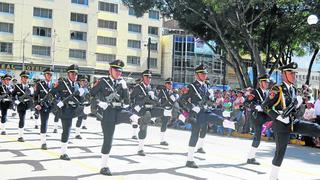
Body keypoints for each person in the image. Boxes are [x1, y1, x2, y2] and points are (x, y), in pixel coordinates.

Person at [261, 62, 320, 180]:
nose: (293, 75)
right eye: (290, 73)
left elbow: (296, 110)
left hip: (293, 123)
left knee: (316, 128)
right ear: (283, 74)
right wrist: (278, 117)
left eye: (294, 73)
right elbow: (265, 106)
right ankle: (273, 177)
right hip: (281, 126)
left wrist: (302, 104)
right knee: (280, 152)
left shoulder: (293, 89)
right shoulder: (277, 89)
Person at [90, 60, 140, 176]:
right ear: (110, 70)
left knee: (127, 113)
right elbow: (90, 94)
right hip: (106, 114)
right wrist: (98, 102)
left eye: (120, 71)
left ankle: (139, 120)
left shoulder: (121, 83)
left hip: (118, 111)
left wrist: (125, 89)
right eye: (116, 70)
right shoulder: (102, 82)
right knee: (108, 140)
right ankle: (104, 166)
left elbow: (127, 103)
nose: (119, 73)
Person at [179, 64, 228, 168]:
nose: (204, 75)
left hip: (204, 111)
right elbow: (182, 100)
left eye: (205, 73)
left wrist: (211, 97)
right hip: (195, 113)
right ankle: (189, 160)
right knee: (195, 133)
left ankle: (230, 124)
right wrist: (192, 106)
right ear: (196, 75)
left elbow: (210, 102)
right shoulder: (191, 86)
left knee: (206, 128)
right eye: (202, 73)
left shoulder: (206, 86)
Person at [51, 64, 85, 160]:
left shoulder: (77, 85)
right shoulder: (61, 83)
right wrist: (57, 102)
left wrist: (82, 95)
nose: (74, 76)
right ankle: (63, 153)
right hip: (65, 110)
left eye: (76, 74)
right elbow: (51, 94)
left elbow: (79, 100)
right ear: (68, 74)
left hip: (74, 109)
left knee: (85, 112)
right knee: (67, 130)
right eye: (72, 74)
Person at [130, 70, 163, 156]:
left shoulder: (152, 88)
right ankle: (140, 149)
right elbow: (130, 99)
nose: (149, 79)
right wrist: (135, 107)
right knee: (144, 126)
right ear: (142, 78)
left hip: (150, 109)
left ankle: (156, 120)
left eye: (150, 77)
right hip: (141, 110)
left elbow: (157, 102)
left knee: (164, 111)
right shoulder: (138, 88)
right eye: (147, 77)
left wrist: (154, 97)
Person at [246, 74, 270, 165]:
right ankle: (250, 157)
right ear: (260, 83)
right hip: (256, 117)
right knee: (257, 138)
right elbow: (246, 103)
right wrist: (255, 106)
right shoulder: (255, 92)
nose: (267, 83)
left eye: (267, 82)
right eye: (265, 81)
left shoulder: (267, 93)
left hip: (264, 116)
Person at [34, 67, 54, 150]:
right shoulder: (39, 84)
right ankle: (43, 142)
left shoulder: (54, 85)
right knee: (44, 123)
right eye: (48, 74)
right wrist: (37, 105)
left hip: (53, 106)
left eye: (51, 74)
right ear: (44, 75)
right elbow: (35, 96)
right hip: (43, 106)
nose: (49, 76)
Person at [12, 71, 34, 142]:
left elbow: (33, 96)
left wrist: (32, 93)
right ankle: (20, 136)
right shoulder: (17, 86)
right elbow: (12, 95)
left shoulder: (30, 87)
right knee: (22, 119)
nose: (25, 79)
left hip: (28, 104)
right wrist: (15, 101)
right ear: (21, 78)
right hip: (21, 105)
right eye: (24, 77)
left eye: (27, 77)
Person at [157, 78, 179, 146]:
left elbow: (175, 101)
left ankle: (162, 138)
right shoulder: (162, 91)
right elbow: (158, 99)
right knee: (164, 123)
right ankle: (162, 140)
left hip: (170, 110)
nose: (170, 85)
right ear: (165, 84)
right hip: (163, 109)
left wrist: (176, 95)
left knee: (166, 123)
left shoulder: (173, 92)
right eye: (169, 84)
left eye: (171, 84)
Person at [74, 75, 90, 139]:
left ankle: (77, 134)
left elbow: (88, 97)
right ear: (80, 82)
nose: (84, 82)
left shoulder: (86, 89)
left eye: (85, 81)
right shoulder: (76, 87)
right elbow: (74, 95)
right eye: (83, 81)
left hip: (83, 106)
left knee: (80, 119)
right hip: (76, 106)